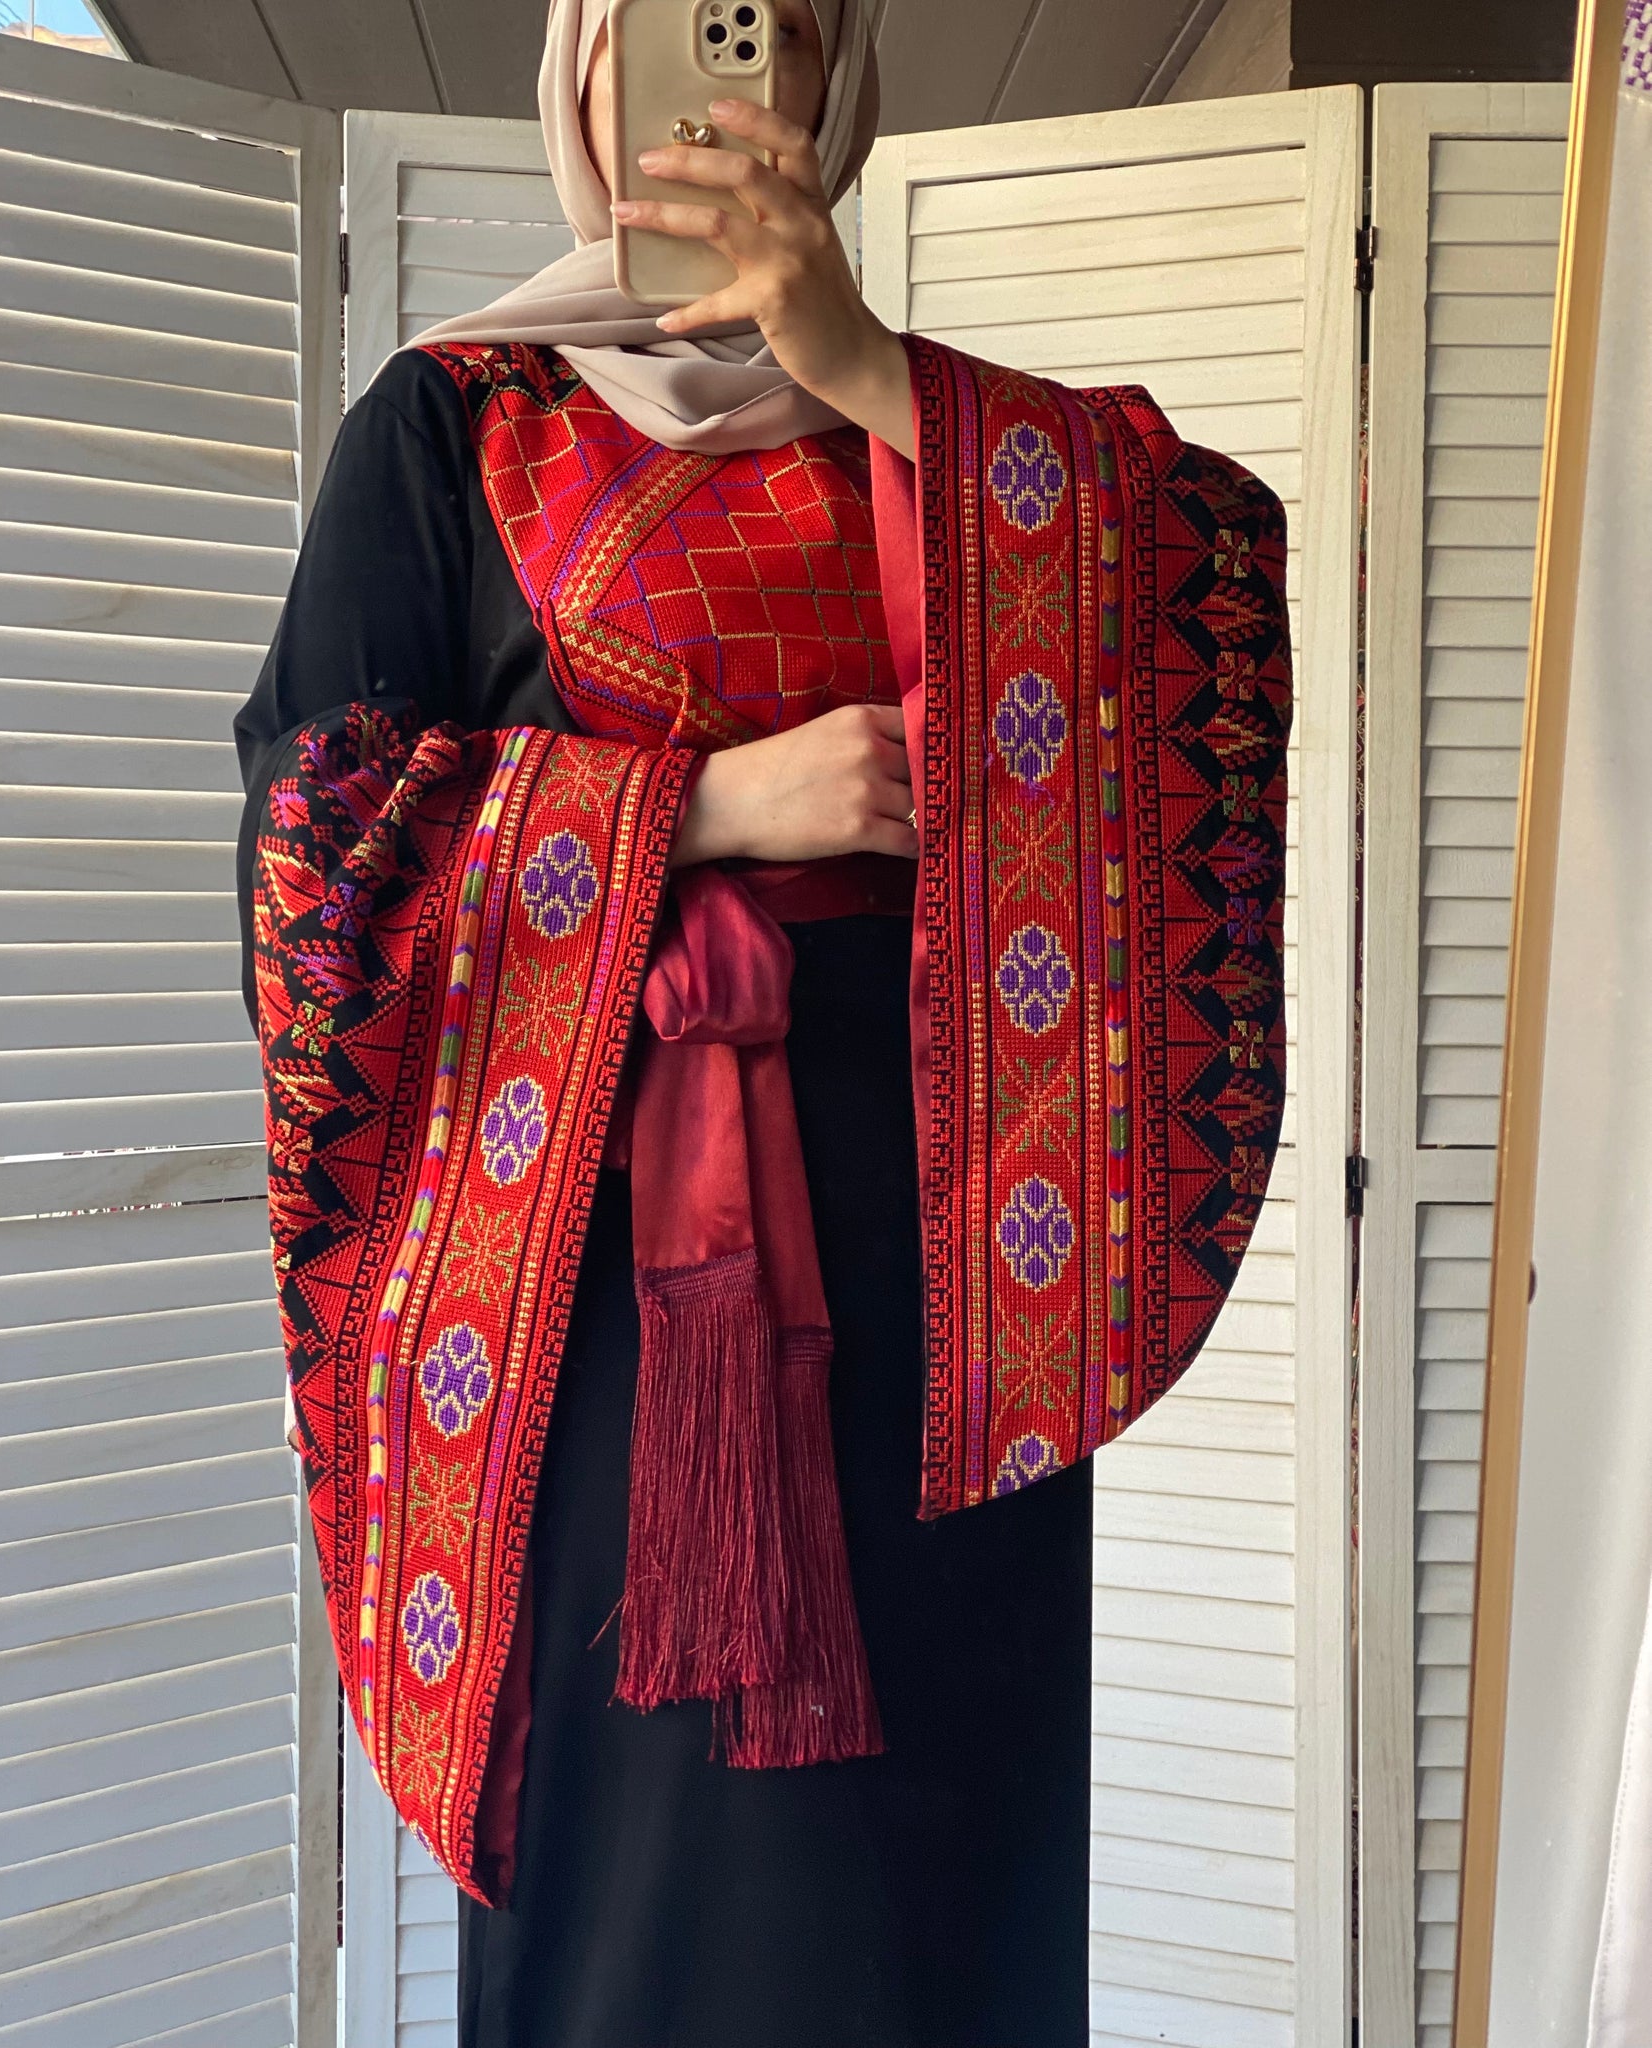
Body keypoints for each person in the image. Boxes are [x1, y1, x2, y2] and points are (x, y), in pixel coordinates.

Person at [233, 2, 1292, 2042]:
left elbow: (1208, 598)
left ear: (835, 91)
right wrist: (703, 808)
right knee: (648, 1877)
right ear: (584, 71)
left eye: (782, 28)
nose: (737, 78)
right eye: (682, 20)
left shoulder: (956, 444)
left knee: (938, 1887)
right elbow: (318, 844)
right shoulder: (453, 427)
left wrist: (867, 369)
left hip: (954, 1276)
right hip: (594, 1311)